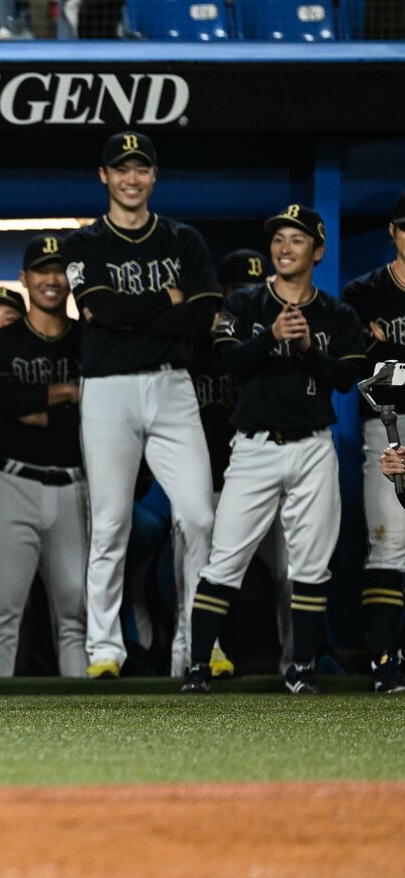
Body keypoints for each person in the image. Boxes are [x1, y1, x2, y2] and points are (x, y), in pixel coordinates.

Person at [179, 206, 366, 695]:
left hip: (312, 447)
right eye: (279, 238)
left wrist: (306, 350)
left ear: (317, 251)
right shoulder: (244, 305)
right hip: (255, 446)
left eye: (296, 240)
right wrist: (271, 338)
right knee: (224, 560)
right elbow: (227, 361)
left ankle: (300, 667)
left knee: (309, 564)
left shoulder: (337, 313)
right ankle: (198, 667)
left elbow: (347, 378)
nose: (284, 247)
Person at [63, 131, 221, 679]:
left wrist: (129, 316)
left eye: (142, 168)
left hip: (173, 385)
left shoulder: (184, 239)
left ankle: (197, 644)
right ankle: (104, 648)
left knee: (200, 517)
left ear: (154, 176)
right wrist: (164, 302)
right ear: (103, 176)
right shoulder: (85, 243)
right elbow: (99, 308)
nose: (132, 178)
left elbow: (202, 315)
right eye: (121, 168)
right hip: (107, 387)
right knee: (110, 521)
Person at [0, 235, 86, 677]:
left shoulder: (88, 339)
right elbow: (0, 404)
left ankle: (92, 730)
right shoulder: (4, 341)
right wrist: (65, 394)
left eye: (59, 271)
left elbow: (93, 415)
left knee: (77, 615)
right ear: (25, 279)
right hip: (11, 482)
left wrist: (35, 408)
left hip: (75, 483)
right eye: (42, 271)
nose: (52, 280)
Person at [187, 248, 290, 677]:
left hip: (262, 479)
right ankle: (199, 658)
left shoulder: (275, 346)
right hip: (208, 481)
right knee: (202, 572)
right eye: (235, 291)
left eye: (252, 288)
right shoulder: (195, 347)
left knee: (292, 568)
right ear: (221, 294)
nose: (244, 297)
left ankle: (299, 658)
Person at [345, 193, 405, 689]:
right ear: (392, 231)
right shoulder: (363, 292)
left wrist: (390, 349)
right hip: (389, 427)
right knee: (387, 544)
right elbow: (368, 377)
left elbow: (387, 366)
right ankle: (385, 660)